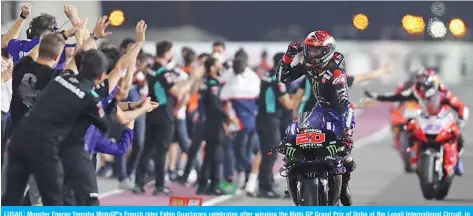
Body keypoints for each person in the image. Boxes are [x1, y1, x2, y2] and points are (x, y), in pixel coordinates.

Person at [1, 48, 114, 206]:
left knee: (11, 199)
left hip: (19, 139)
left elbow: (73, 63)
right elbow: (105, 125)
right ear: (102, 76)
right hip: (44, 148)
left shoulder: (61, 78)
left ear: (80, 67)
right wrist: (113, 103)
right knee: (53, 200)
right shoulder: (90, 98)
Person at [276, 30, 355, 206]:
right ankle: (294, 174)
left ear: (326, 51)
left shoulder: (336, 73)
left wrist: (346, 132)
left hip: (339, 112)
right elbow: (283, 77)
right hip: (320, 109)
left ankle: (343, 187)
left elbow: (344, 104)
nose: (311, 53)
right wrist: (288, 56)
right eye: (309, 49)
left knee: (343, 151)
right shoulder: (307, 64)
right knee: (298, 139)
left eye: (316, 50)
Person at [133, 41, 204, 196]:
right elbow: (176, 92)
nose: (172, 55)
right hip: (164, 114)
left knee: (148, 149)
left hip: (151, 111)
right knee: (162, 150)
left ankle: (138, 183)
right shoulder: (163, 72)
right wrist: (192, 79)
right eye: (171, 52)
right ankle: (159, 186)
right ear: (166, 53)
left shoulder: (151, 68)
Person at [365, 74, 469, 176]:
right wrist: (378, 96)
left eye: (426, 87)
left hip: (442, 119)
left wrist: (462, 120)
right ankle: (412, 157)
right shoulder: (417, 93)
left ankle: (458, 159)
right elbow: (397, 96)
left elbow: (461, 107)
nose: (423, 89)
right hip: (426, 119)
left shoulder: (445, 94)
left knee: (457, 134)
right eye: (422, 86)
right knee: (409, 129)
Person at [255, 52, 293, 198]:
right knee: (270, 153)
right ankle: (265, 187)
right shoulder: (278, 77)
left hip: (264, 117)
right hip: (271, 119)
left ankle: (266, 181)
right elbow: (286, 102)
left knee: (268, 152)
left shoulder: (269, 73)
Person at [4, 5, 81, 69]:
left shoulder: (20, 46)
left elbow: (6, 41)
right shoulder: (59, 49)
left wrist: (23, 16)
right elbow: (88, 46)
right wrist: (74, 18)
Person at [195, 57, 231, 195]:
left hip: (208, 122)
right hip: (214, 123)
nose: (221, 66)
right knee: (216, 155)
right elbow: (215, 105)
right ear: (212, 68)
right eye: (218, 65)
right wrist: (227, 116)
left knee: (209, 155)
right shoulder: (213, 84)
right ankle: (214, 185)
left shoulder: (206, 82)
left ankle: (203, 185)